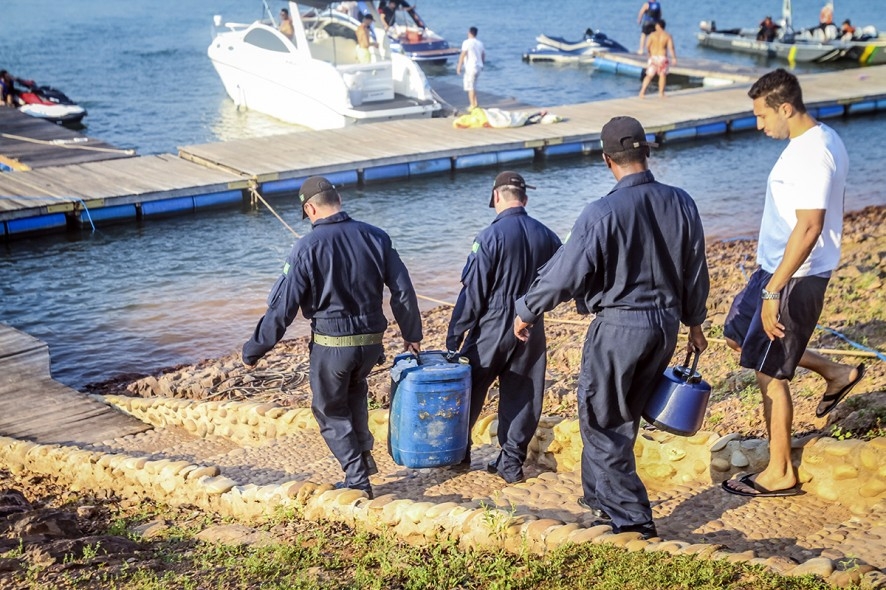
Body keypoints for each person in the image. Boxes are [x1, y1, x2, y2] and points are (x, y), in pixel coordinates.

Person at [513, 116, 709, 539]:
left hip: (621, 326)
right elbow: (695, 268)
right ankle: (600, 498)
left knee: (602, 420)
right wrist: (695, 323)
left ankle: (632, 519)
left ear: (607, 160)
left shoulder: (601, 211)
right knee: (623, 416)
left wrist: (527, 309)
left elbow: (565, 274)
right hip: (665, 327)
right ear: (647, 152)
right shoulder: (682, 201)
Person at [721, 69, 865, 498]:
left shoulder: (813, 153)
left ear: (785, 108)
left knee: (769, 371)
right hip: (773, 267)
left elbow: (810, 227)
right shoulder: (815, 140)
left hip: (794, 276)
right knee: (737, 336)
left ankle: (780, 471)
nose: (758, 125)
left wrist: (773, 291)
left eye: (762, 116)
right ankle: (835, 371)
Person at [242, 176, 423, 499]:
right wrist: (412, 334)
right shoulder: (376, 236)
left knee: (329, 410)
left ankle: (357, 479)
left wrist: (255, 349)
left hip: (332, 345)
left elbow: (283, 307)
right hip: (371, 344)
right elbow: (403, 290)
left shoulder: (306, 247)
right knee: (355, 393)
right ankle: (363, 458)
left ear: (310, 209)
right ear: (338, 201)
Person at [446, 171, 562, 484]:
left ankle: (459, 454)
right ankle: (510, 462)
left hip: (491, 325)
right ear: (525, 198)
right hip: (531, 322)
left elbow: (473, 292)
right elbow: (562, 280)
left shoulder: (489, 237)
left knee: (470, 388)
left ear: (496, 196)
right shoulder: (549, 236)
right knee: (523, 391)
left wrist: (455, 334)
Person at [639, 20, 676, 98]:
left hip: (653, 57)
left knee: (649, 75)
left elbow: (648, 46)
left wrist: (649, 54)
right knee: (662, 75)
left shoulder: (652, 35)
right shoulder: (667, 35)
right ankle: (661, 93)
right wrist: (673, 58)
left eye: (656, 25)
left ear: (658, 26)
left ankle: (642, 92)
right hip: (662, 58)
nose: (655, 26)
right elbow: (671, 48)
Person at [456, 27, 485, 111]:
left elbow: (463, 54)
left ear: (469, 33)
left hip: (470, 67)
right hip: (478, 67)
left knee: (470, 87)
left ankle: (472, 105)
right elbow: (483, 55)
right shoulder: (480, 43)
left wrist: (459, 66)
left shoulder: (466, 42)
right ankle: (475, 103)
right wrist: (482, 64)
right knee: (474, 86)